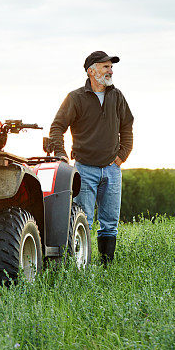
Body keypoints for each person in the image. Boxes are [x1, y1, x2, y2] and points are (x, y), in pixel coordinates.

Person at [49, 51, 134, 265]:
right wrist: (60, 153)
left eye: (111, 67)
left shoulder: (117, 96)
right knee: (83, 221)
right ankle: (82, 267)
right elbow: (57, 126)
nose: (110, 71)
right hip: (85, 169)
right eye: (105, 67)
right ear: (91, 71)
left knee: (110, 223)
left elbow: (127, 126)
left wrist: (121, 156)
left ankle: (107, 267)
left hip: (112, 169)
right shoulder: (76, 98)